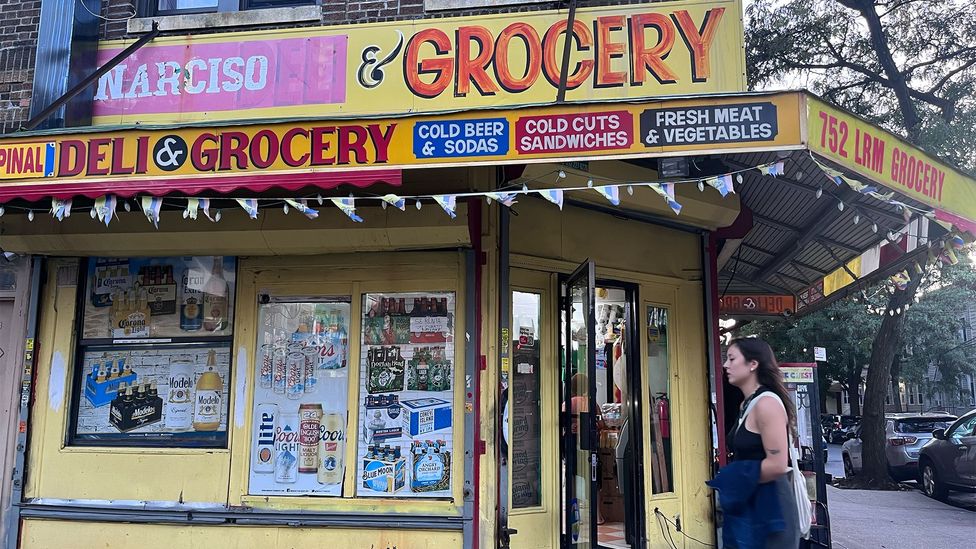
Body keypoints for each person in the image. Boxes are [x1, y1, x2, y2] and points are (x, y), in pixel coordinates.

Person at [714, 337, 801, 548]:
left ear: (753, 364)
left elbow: (777, 464)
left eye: (732, 359)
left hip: (771, 510)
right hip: (752, 506)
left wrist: (731, 480)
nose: (726, 365)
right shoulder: (747, 403)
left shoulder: (767, 404)